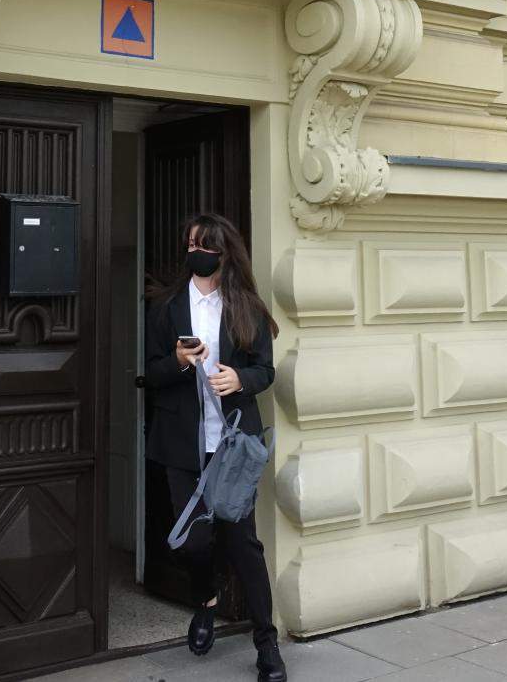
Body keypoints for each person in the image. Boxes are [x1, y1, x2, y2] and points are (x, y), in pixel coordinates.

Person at [144, 214, 286, 682]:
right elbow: (150, 373)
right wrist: (179, 362)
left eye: (204, 245)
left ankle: (267, 644)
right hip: (181, 443)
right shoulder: (165, 306)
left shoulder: (246, 306)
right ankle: (206, 600)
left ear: (224, 253)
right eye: (190, 244)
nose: (196, 252)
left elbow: (265, 371)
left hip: (232, 445)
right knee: (194, 541)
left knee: (244, 544)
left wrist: (239, 378)